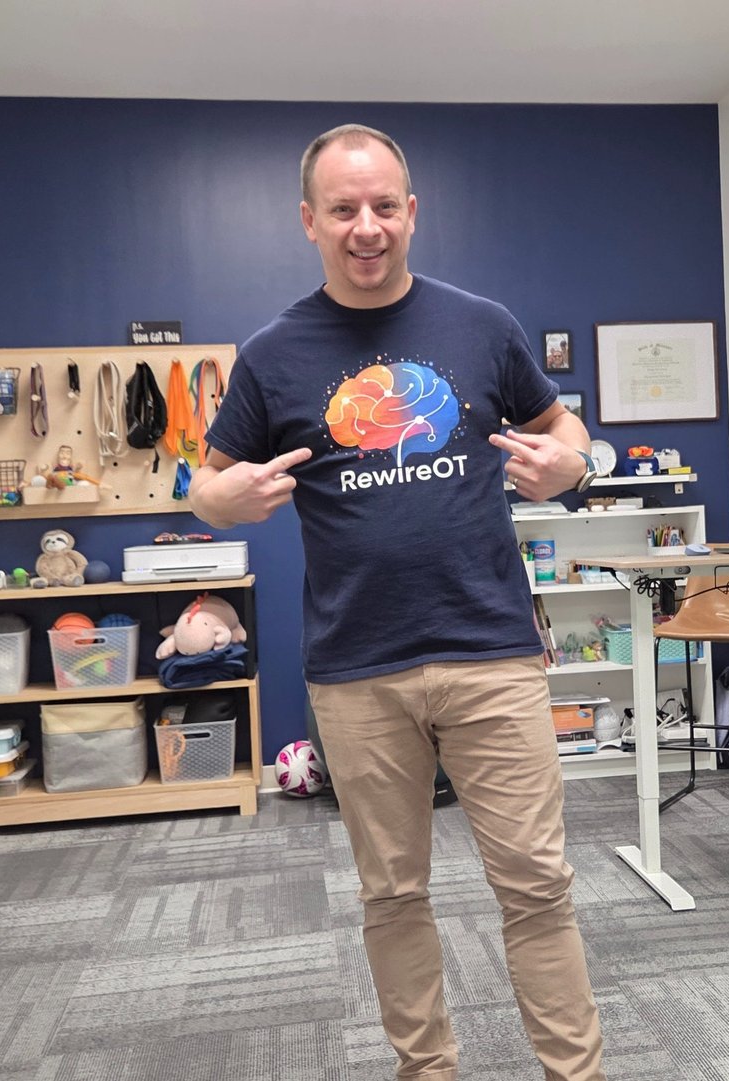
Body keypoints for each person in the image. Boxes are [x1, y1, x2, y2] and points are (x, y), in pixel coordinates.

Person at [190, 123, 606, 1081]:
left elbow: (564, 427)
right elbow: (205, 484)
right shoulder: (272, 355)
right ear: (309, 221)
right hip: (357, 670)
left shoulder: (482, 325)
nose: (366, 227)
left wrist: (571, 465)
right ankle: (429, 1069)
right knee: (392, 894)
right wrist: (226, 499)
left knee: (538, 884)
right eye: (344, 209)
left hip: (492, 652)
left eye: (384, 206)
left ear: (412, 212)